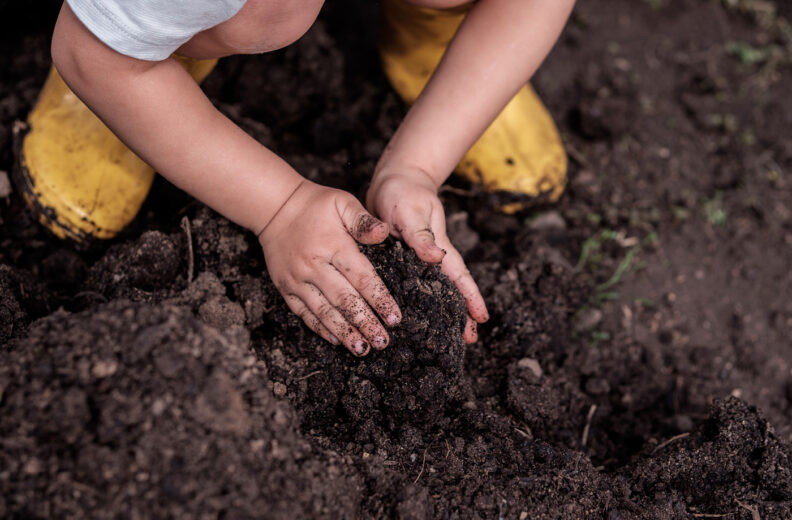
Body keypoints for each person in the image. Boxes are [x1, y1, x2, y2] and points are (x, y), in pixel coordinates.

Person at [17, 0, 574, 356]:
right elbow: (88, 53)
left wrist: (417, 165)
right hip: (108, 47)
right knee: (267, 11)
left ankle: (437, 33)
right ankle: (151, 50)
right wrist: (280, 206)